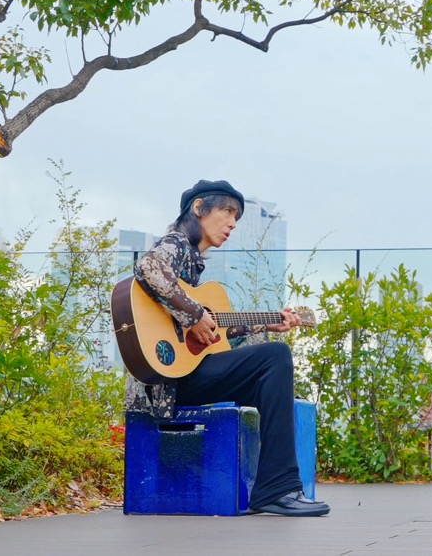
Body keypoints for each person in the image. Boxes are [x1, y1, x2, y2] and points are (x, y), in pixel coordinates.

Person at [123, 179, 330, 517]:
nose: (233, 223)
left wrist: (268, 323)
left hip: (183, 376)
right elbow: (148, 268)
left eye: (237, 216)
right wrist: (194, 315)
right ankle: (276, 489)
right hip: (166, 384)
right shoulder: (176, 244)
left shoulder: (193, 266)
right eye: (228, 211)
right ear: (199, 207)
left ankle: (275, 486)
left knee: (270, 376)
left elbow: (215, 333)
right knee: (276, 357)